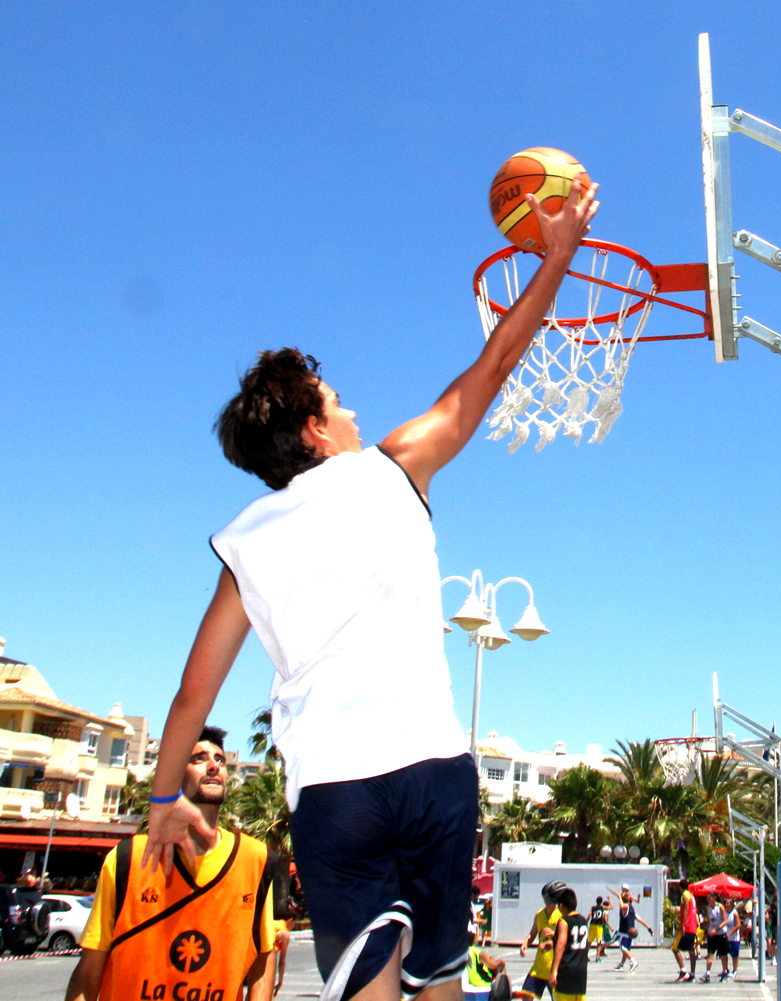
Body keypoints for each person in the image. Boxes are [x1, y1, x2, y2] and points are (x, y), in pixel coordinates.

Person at [139, 178, 599, 1001]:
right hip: (432, 771)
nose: (351, 412)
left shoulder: (247, 539)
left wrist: (165, 794)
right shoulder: (391, 468)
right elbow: (494, 365)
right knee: (440, 989)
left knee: (369, 989)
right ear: (316, 430)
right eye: (338, 402)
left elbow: (189, 695)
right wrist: (557, 255)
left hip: (335, 788)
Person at [64, 727, 276, 1001]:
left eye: (220, 760)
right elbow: (89, 971)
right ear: (172, 775)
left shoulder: (255, 860)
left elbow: (263, 958)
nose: (214, 766)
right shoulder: (129, 858)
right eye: (199, 758)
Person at [519, 881, 568, 1000]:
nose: (546, 900)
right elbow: (533, 933)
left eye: (548, 897)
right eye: (545, 897)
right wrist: (526, 943)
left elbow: (566, 939)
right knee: (526, 994)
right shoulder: (539, 914)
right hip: (539, 967)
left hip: (556, 968)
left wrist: (553, 937)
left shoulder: (562, 915)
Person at [549, 887, 588, 1001]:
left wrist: (554, 970)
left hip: (566, 970)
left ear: (561, 906)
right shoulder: (583, 920)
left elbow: (561, 944)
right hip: (581, 971)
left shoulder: (564, 921)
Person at [605, 883, 651, 973]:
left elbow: (623, 905)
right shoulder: (632, 909)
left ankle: (633, 961)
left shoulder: (626, 901)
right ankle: (621, 964)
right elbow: (640, 920)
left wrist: (637, 898)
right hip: (628, 928)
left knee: (623, 948)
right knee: (626, 948)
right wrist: (649, 928)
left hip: (624, 929)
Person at [462, 932, 505, 1001]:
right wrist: (500, 961)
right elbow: (492, 966)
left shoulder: (465, 951)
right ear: (473, 940)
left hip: (472, 980)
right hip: (482, 982)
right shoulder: (478, 952)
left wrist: (487, 958)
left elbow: (474, 961)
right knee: (501, 967)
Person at [671, 878, 698, 982]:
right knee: (691, 951)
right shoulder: (691, 895)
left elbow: (686, 909)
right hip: (692, 926)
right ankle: (692, 974)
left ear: (680, 886)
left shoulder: (685, 895)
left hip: (687, 926)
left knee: (674, 948)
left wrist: (682, 925)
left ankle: (683, 971)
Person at [700, 892, 729, 982]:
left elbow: (725, 921)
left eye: (709, 898)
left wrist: (716, 930)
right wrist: (705, 932)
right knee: (710, 953)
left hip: (721, 934)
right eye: (707, 898)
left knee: (723, 954)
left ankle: (725, 971)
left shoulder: (720, 907)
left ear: (714, 898)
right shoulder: (708, 909)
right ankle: (708, 972)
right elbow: (709, 921)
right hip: (712, 935)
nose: (708, 900)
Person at [587, 898, 608, 962]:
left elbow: (589, 915)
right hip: (599, 926)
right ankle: (597, 957)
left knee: (589, 941)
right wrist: (610, 899)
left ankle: (585, 956)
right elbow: (611, 906)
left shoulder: (592, 908)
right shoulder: (602, 907)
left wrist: (586, 922)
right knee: (599, 943)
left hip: (592, 925)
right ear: (601, 902)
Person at [725, 900, 742, 978]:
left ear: (731, 905)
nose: (726, 904)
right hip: (726, 937)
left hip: (734, 938)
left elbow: (738, 925)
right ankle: (725, 969)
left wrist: (730, 933)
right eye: (726, 903)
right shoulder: (725, 912)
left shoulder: (734, 913)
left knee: (734, 955)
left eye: (728, 903)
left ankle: (735, 971)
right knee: (724, 954)